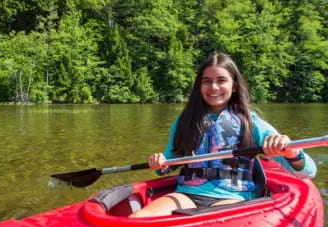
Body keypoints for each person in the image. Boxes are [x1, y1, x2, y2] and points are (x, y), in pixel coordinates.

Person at [130, 52, 317, 218]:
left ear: (234, 86)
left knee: (207, 226)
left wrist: (292, 153)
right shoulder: (185, 121)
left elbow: (308, 171)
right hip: (187, 194)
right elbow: (170, 161)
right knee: (138, 218)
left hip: (233, 196)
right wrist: (160, 163)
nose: (213, 87)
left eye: (221, 80)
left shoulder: (251, 123)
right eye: (207, 81)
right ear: (199, 86)